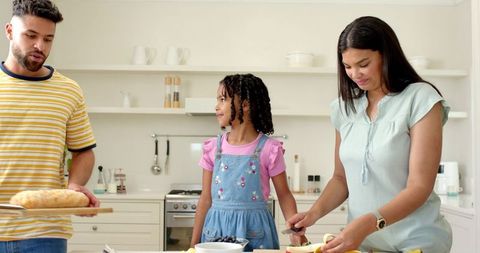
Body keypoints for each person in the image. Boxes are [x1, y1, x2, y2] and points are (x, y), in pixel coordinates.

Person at [286, 16, 452, 253]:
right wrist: (313, 214)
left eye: (363, 64)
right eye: (347, 66)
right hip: (365, 245)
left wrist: (367, 223)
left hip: (417, 241)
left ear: (386, 55)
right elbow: (341, 179)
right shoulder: (344, 108)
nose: (355, 74)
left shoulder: (421, 99)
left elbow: (419, 187)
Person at [0, 1, 98, 253]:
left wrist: (74, 186)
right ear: (10, 31)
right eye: (30, 36)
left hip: (45, 232)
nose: (39, 46)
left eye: (48, 39)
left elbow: (83, 151)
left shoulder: (69, 91)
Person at [190, 74, 306, 251]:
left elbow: (284, 195)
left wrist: (296, 232)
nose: (216, 106)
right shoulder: (213, 147)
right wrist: (193, 245)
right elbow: (206, 198)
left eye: (223, 99)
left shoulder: (269, 149)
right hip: (215, 232)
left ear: (244, 105)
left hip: (256, 232)